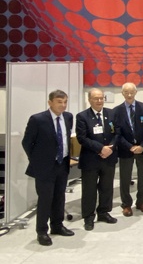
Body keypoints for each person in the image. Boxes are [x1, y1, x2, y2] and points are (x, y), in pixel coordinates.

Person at [22, 89, 75, 246]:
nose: (63, 105)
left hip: (62, 164)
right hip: (45, 167)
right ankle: (42, 231)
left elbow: (66, 138)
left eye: (65, 102)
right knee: (45, 199)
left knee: (60, 197)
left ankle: (57, 226)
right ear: (50, 102)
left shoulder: (68, 117)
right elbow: (27, 143)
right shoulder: (38, 119)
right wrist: (38, 161)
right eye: (59, 102)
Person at [76, 88, 122, 231]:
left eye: (101, 98)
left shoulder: (111, 113)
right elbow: (82, 138)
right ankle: (89, 217)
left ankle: (103, 212)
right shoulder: (82, 116)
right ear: (89, 100)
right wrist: (100, 148)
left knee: (106, 187)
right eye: (96, 98)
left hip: (109, 158)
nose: (99, 101)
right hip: (91, 159)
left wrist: (111, 148)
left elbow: (118, 133)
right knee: (89, 189)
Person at [114, 82, 143, 217]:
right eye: (126, 92)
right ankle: (126, 204)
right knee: (125, 178)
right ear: (122, 93)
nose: (129, 95)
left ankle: (141, 202)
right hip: (126, 149)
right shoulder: (117, 111)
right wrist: (130, 146)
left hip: (142, 149)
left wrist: (142, 145)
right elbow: (117, 133)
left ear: (136, 92)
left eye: (131, 92)